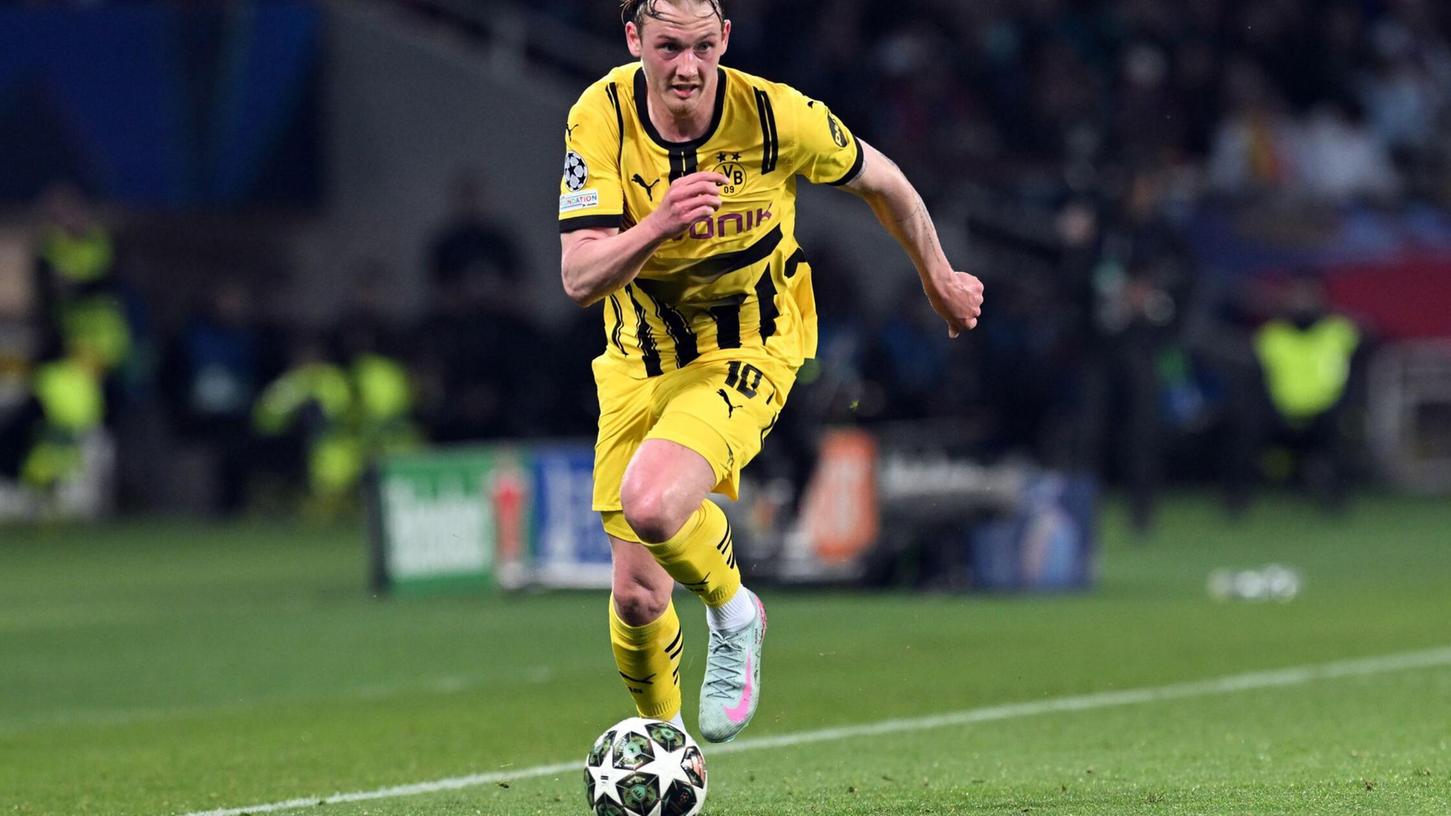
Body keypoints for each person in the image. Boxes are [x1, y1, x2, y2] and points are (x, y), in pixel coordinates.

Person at [558, 0, 983, 743]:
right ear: (632, 39)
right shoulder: (599, 116)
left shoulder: (774, 116)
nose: (686, 67)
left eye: (702, 46)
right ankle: (667, 750)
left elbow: (885, 182)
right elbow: (579, 276)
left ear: (725, 38)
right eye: (667, 47)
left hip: (748, 347)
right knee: (636, 597)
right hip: (637, 358)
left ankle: (734, 611)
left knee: (652, 506)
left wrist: (938, 277)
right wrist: (658, 224)